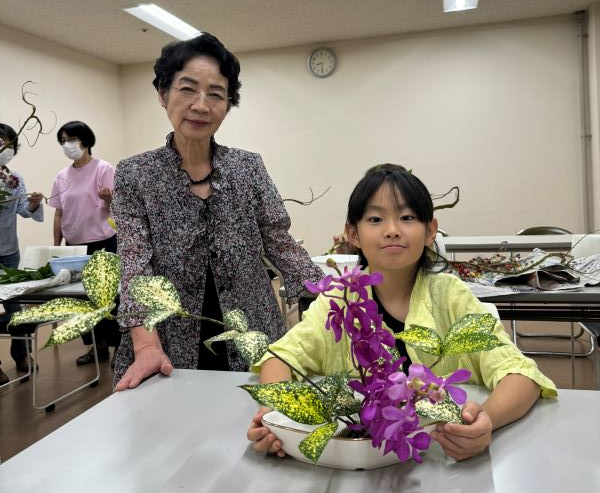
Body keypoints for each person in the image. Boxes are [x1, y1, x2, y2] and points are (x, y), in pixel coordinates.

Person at [247, 164, 557, 462]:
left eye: (407, 217)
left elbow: (520, 374)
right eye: (375, 219)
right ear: (352, 233)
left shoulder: (451, 296)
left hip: (439, 457)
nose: (393, 231)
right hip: (355, 461)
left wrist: (486, 420)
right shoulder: (339, 299)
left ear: (430, 230)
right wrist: (277, 418)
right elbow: (281, 358)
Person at [111, 32, 322, 391]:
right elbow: (135, 265)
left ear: (228, 104)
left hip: (253, 332)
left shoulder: (248, 167)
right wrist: (145, 346)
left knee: (257, 433)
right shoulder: (135, 174)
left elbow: (280, 243)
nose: (200, 105)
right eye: (187, 89)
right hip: (167, 340)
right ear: (163, 94)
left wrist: (333, 293)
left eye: (216, 94)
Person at [48, 121, 121, 366]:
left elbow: (115, 208)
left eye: (71, 140)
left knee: (109, 297)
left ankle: (119, 348)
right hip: (75, 246)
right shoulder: (61, 176)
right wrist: (57, 247)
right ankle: (96, 347)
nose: (67, 145)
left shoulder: (103, 168)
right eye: (63, 141)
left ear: (85, 141)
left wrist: (109, 200)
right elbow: (58, 213)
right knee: (83, 300)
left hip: (103, 241)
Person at [0, 123, 44, 385]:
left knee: (15, 307)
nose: (4, 149)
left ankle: (21, 355)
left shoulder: (14, 179)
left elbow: (24, 212)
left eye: (8, 144)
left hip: (9, 251)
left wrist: (35, 203)